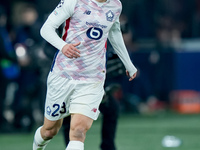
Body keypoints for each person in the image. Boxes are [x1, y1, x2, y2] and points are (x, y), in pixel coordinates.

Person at [32, 0, 137, 150]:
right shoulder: (73, 2)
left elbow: (114, 31)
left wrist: (128, 63)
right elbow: (46, 29)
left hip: (92, 79)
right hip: (63, 75)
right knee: (49, 130)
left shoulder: (115, 5)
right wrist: (63, 46)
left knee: (78, 131)